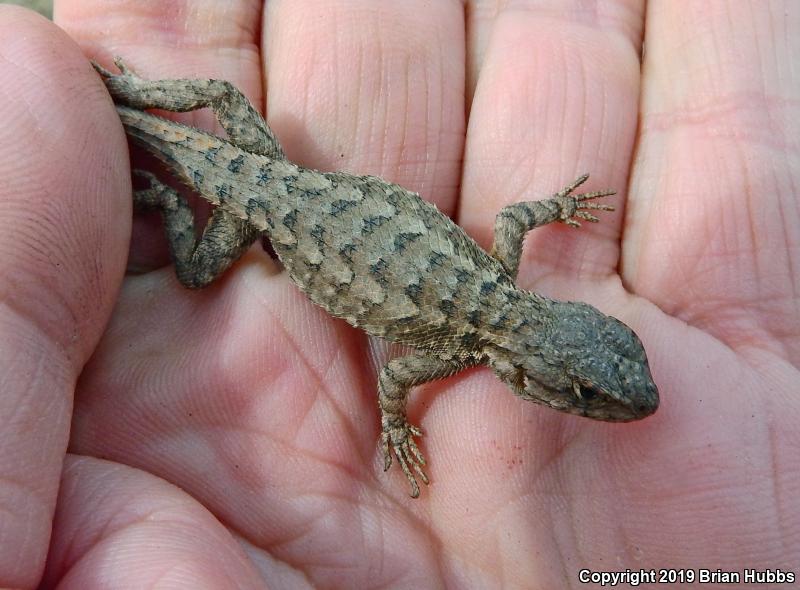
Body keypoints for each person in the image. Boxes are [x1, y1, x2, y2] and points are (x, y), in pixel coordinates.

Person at [0, 2, 797, 588]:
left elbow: (516, 219)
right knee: (203, 268)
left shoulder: (493, 279)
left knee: (225, 100)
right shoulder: (451, 350)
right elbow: (391, 377)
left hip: (277, 182)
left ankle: (137, 112)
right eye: (587, 393)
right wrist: (393, 427)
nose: (604, 401)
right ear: (532, 374)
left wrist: (554, 210)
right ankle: (165, 183)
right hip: (262, 202)